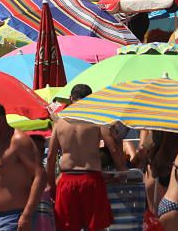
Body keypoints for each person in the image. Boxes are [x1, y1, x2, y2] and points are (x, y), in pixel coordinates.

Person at [46, 84, 124, 231]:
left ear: (70, 99)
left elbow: (50, 157)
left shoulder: (60, 122)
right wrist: (122, 171)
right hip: (91, 179)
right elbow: (113, 148)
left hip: (67, 180)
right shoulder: (96, 119)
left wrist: (52, 185)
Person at [0, 97, 45, 231]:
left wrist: (27, 215)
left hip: (14, 218)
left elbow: (40, 176)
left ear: (0, 119)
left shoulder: (19, 141)